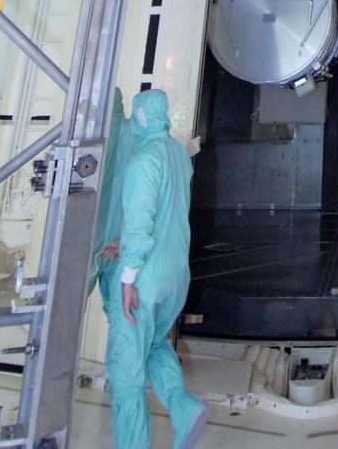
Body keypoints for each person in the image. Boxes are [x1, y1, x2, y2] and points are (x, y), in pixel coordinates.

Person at [106, 88, 209, 449]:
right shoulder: (179, 158)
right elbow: (165, 216)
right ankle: (183, 406)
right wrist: (124, 243)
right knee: (153, 345)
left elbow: (140, 220)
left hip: (145, 278)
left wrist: (128, 275)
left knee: (125, 371)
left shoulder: (142, 162)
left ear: (141, 118)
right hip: (175, 277)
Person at [90, 87, 134, 308]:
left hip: (99, 241)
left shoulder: (96, 140)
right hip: (119, 246)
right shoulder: (138, 134)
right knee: (125, 315)